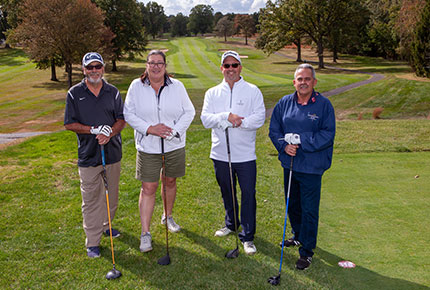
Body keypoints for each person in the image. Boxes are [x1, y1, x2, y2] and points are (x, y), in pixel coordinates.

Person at [124, 50, 195, 253]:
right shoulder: (136, 87)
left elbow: (189, 111)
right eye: (152, 63)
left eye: (160, 63)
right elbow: (128, 113)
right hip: (148, 146)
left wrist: (174, 132)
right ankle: (145, 233)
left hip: (173, 145)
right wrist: (149, 128)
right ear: (146, 65)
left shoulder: (177, 86)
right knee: (149, 187)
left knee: (170, 181)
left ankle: (167, 216)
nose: (156, 66)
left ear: (165, 66)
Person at [269, 63, 336, 270]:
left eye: (307, 79)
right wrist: (284, 145)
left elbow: (327, 134)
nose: (303, 82)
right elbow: (274, 129)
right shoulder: (284, 103)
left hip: (311, 167)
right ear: (294, 82)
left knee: (309, 210)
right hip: (290, 165)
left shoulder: (323, 105)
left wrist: (300, 140)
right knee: (293, 205)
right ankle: (298, 236)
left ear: (314, 82)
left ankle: (306, 251)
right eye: (300, 79)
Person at [201, 51, 266, 255]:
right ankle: (231, 224)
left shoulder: (252, 90)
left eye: (234, 65)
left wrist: (240, 122)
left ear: (240, 67)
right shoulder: (212, 93)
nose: (231, 69)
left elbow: (259, 118)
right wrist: (225, 116)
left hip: (245, 155)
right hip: (220, 154)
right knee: (227, 192)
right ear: (221, 68)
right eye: (227, 66)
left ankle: (247, 236)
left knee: (248, 194)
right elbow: (205, 119)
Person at [64, 52, 126, 258]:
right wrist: (93, 130)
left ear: (103, 68)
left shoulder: (113, 92)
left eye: (97, 66)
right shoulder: (74, 93)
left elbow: (120, 119)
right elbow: (69, 124)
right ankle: (93, 241)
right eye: (89, 67)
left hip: (112, 153)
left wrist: (111, 131)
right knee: (91, 199)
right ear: (83, 70)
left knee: (112, 196)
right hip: (89, 156)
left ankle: (106, 226)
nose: (93, 71)